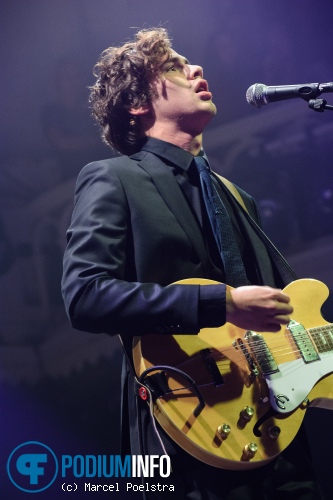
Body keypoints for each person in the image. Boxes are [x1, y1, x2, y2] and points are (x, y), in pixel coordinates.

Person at [61, 28, 321, 498]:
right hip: (183, 433)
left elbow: (287, 318)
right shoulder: (112, 178)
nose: (197, 69)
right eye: (174, 67)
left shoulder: (238, 198)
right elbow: (85, 295)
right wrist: (220, 304)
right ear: (138, 103)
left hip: (275, 439)